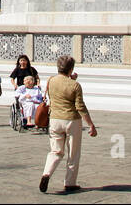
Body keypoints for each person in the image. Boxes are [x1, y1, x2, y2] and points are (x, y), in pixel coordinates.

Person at [39, 55, 96, 194]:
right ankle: (70, 183)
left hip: (55, 119)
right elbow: (80, 107)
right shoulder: (75, 85)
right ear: (71, 69)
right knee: (73, 153)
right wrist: (91, 124)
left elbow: (57, 91)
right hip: (72, 120)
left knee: (56, 151)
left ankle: (46, 173)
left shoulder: (51, 80)